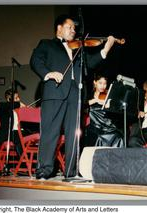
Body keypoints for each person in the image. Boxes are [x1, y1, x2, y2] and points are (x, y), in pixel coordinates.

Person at [30, 14, 116, 179]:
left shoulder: (78, 49)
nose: (73, 31)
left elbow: (90, 63)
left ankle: (71, 171)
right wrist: (48, 73)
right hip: (54, 92)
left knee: (74, 133)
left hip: (75, 94)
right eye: (70, 27)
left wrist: (106, 49)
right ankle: (44, 170)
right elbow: (35, 60)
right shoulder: (47, 44)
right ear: (59, 28)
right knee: (50, 132)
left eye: (75, 28)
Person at [83, 74, 123, 148]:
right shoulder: (89, 95)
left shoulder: (108, 95)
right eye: (100, 83)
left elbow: (115, 112)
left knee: (118, 137)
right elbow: (84, 105)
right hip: (94, 126)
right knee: (99, 137)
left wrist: (108, 106)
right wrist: (95, 100)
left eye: (105, 84)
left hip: (108, 125)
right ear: (95, 82)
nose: (103, 86)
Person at [0, 89, 26, 157]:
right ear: (9, 99)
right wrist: (18, 104)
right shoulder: (2, 106)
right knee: (18, 136)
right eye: (16, 98)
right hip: (9, 133)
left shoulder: (20, 109)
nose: (18, 99)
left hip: (22, 132)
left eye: (18, 97)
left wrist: (27, 111)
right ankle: (23, 161)